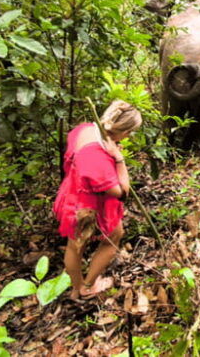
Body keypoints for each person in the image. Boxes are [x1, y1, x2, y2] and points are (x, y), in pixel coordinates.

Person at [53, 100, 143, 298]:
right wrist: (119, 159)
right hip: (87, 208)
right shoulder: (97, 156)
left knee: (75, 244)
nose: (129, 136)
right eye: (129, 132)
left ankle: (79, 288)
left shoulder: (86, 129)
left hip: (74, 193)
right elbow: (121, 192)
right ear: (122, 129)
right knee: (101, 242)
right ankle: (84, 287)